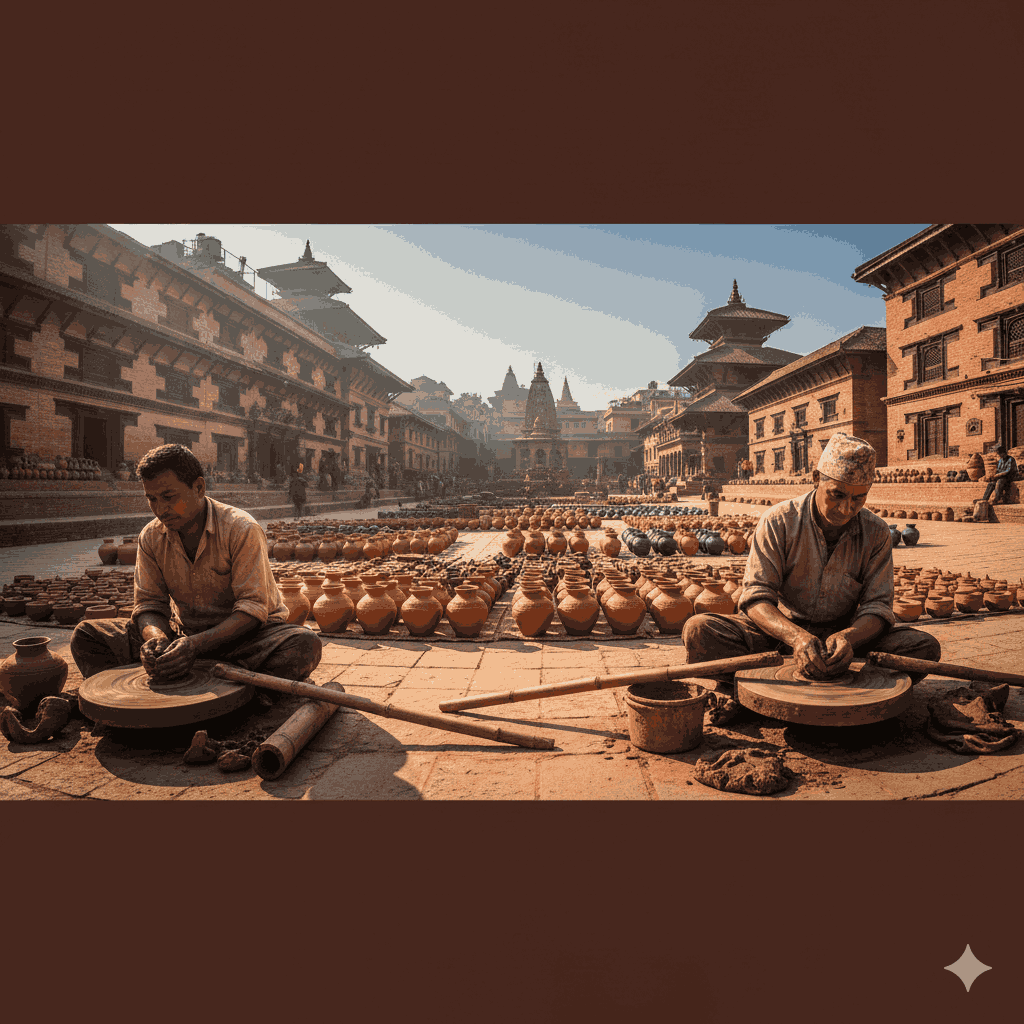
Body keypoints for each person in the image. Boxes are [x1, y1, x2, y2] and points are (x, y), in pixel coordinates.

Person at [683, 432, 941, 685]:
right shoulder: (778, 521)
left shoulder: (876, 532)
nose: (846, 509)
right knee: (699, 629)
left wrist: (848, 639)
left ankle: (849, 683)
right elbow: (756, 598)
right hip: (778, 633)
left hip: (843, 637)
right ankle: (744, 691)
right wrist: (796, 638)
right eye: (837, 495)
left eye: (858, 498)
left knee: (922, 647)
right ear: (816, 478)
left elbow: (878, 607)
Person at [69, 444, 321, 684]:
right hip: (184, 636)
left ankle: (239, 692)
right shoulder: (151, 536)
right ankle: (208, 679)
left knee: (303, 643)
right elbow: (149, 604)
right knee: (87, 634)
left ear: (199, 487)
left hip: (246, 637)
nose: (160, 509)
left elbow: (252, 611)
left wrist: (196, 646)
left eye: (168, 496)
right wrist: (157, 641)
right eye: (152, 499)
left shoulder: (241, 528)